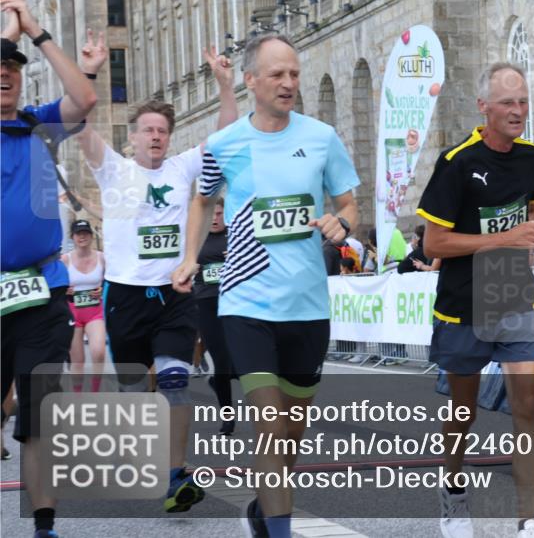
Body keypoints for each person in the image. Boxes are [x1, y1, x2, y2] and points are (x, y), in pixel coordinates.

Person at [172, 33, 360, 538]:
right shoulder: (224, 144)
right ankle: (280, 530)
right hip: (246, 303)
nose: (289, 83)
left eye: (294, 74)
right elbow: (201, 200)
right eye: (277, 74)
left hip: (307, 307)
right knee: (270, 426)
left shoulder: (321, 137)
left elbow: (348, 205)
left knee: (291, 433)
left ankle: (263, 507)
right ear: (250, 80)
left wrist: (342, 223)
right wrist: (190, 256)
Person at [74, 40, 237, 513]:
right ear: (134, 137)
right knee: (133, 389)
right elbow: (82, 127)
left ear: (170, 136)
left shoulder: (183, 168)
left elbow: (224, 139)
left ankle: (175, 475)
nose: (155, 137)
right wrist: (88, 75)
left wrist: (226, 86)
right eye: (147, 130)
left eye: (162, 131)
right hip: (125, 297)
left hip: (175, 293)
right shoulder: (114, 170)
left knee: (173, 382)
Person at [417, 62, 534, 538]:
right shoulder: (456, 162)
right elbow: (433, 246)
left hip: (513, 296)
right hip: (463, 303)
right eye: (508, 102)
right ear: (483, 107)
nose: (518, 111)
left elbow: (525, 208)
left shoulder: (533, 156)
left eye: (523, 101)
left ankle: (528, 520)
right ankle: (454, 492)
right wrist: (503, 240)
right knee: (464, 412)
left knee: (529, 405)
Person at [1, 0, 98, 538]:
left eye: (11, 70)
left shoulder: (39, 125)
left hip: (42, 290)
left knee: (39, 413)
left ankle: (44, 527)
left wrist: (34, 31)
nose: (4, 77)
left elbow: (84, 98)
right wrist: (6, 35)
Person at [192, 199, 234, 435]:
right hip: (207, 303)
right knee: (221, 361)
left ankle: (219, 381)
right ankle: (228, 416)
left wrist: (238, 257)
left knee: (237, 362)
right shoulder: (196, 240)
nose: (216, 218)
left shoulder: (235, 237)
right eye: (213, 214)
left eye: (220, 213)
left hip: (235, 302)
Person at [61, 220, 107, 394]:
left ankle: (95, 391)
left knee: (99, 352)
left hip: (94, 311)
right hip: (72, 312)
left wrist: (102, 289)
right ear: (72, 237)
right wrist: (64, 289)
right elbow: (54, 285)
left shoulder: (102, 257)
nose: (82, 237)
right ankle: (78, 395)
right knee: (77, 360)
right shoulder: (65, 260)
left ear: (91, 235)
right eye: (78, 233)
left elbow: (110, 280)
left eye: (86, 233)